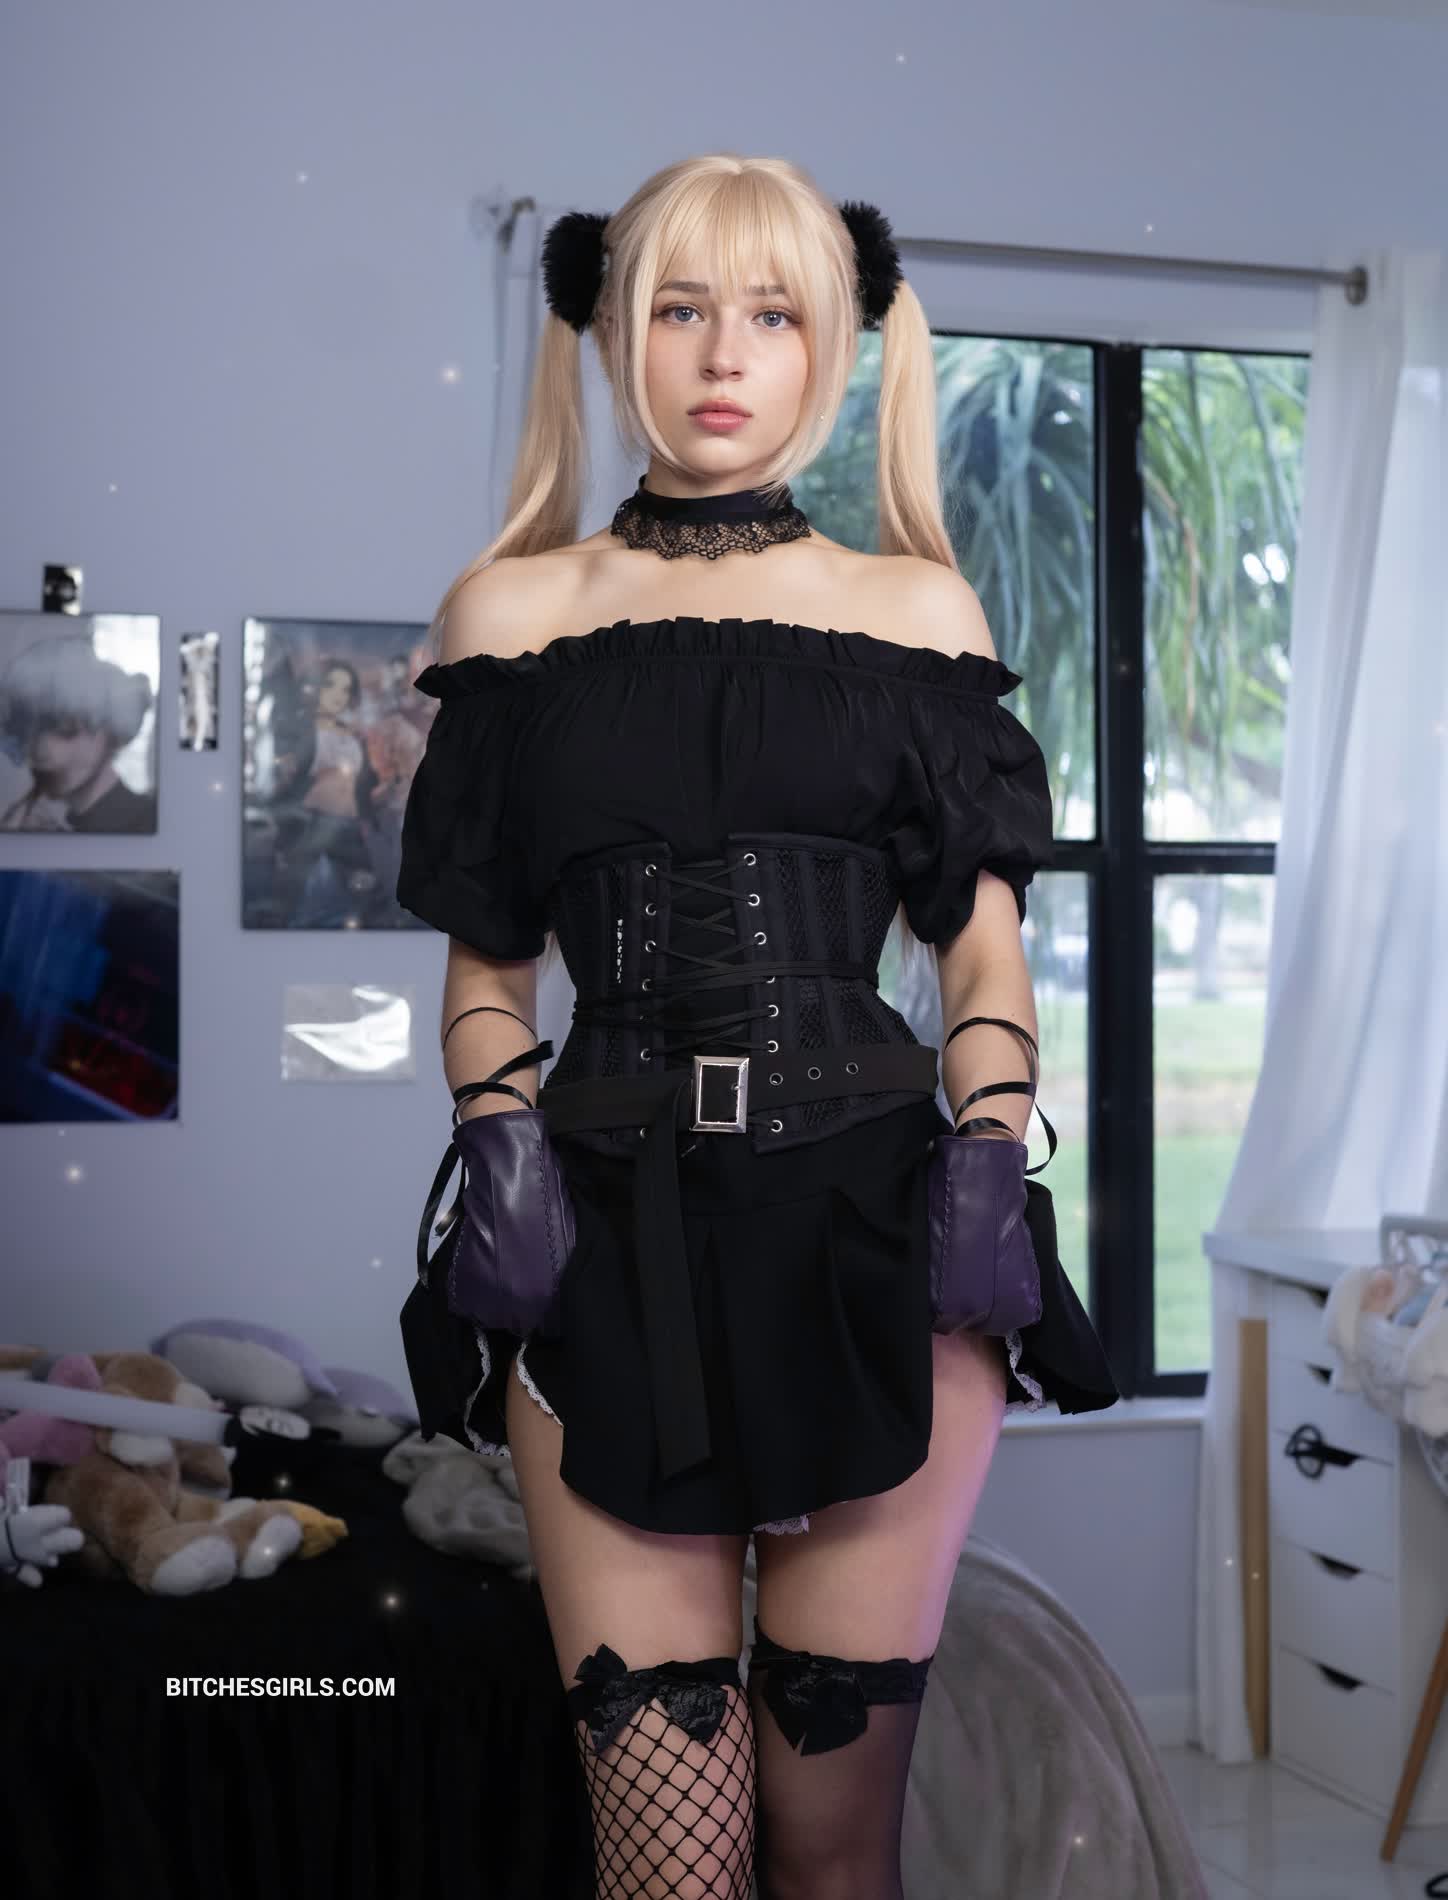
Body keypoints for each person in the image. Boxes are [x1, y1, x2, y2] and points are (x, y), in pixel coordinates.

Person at [396, 154, 1118, 1900]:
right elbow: (487, 970)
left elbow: (981, 964)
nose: (726, 354)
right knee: (666, 1863)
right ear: (608, 331)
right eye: (680, 307)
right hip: (604, 1241)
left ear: (832, 345)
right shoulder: (513, 617)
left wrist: (986, 1153)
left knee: (832, 1848)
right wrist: (496, 1141)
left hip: (875, 1229)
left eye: (775, 313)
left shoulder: (913, 615)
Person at [0, 633, 155, 832]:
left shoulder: (145, 821)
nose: (39, 749)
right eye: (27, 729)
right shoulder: (43, 822)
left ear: (111, 730)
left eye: (64, 728)